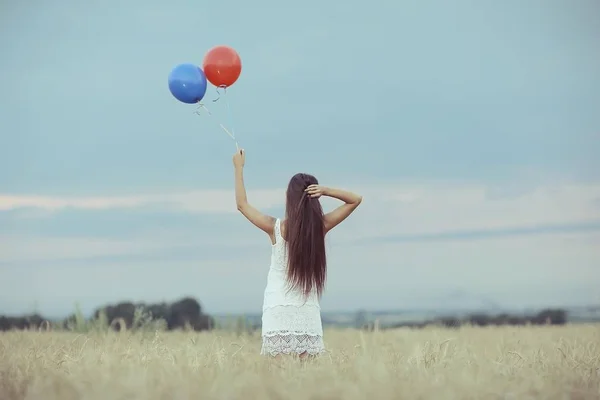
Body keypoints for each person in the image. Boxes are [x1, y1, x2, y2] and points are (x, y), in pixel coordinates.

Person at [232, 149, 363, 358]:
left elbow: (242, 205)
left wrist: (238, 167)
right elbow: (355, 199)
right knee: (306, 379)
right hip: (306, 311)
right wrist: (326, 190)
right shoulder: (321, 227)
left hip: (277, 309)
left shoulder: (274, 227)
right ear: (315, 197)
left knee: (278, 378)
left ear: (289, 199)